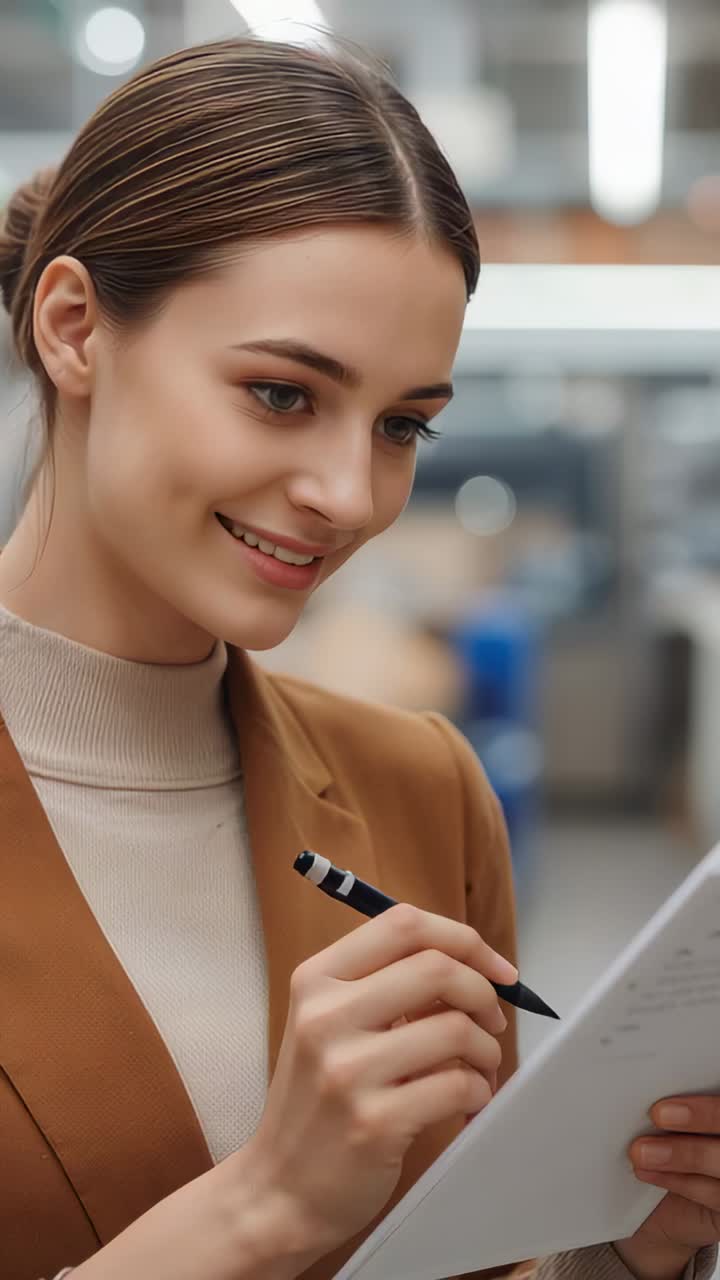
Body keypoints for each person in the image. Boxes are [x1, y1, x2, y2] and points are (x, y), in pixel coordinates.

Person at [0, 35, 716, 1280]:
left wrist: (609, 1249)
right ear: (74, 330)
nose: (349, 492)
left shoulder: (420, 788)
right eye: (284, 393)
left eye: (401, 426)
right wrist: (265, 1204)